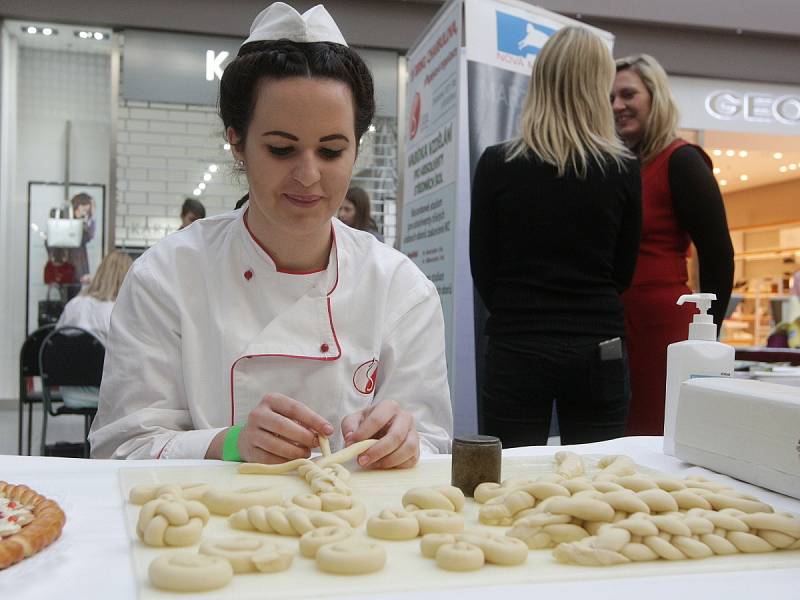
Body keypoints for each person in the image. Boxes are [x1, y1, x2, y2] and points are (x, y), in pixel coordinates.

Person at [89, 3, 452, 467]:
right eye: (281, 149)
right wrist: (228, 443)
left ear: (357, 147)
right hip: (203, 535)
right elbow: (119, 449)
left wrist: (405, 442)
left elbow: (435, 446)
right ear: (237, 142)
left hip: (357, 533)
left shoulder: (400, 289)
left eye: (331, 150)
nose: (308, 175)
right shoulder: (167, 277)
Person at [470, 26, 641, 447]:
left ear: (541, 81)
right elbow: (623, 271)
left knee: (505, 482)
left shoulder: (497, 163)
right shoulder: (623, 168)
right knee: (598, 486)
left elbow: (484, 267)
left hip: (516, 342)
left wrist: (522, 309)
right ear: (598, 85)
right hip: (598, 342)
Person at [612, 54, 734, 436]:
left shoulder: (681, 161)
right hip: (616, 324)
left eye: (628, 94)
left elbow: (717, 253)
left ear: (655, 97)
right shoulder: (620, 165)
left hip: (663, 327)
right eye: (611, 97)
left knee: (656, 435)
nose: (617, 105)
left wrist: (707, 335)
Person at [54, 251, 133, 408]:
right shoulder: (120, 311)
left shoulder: (73, 305)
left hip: (69, 392)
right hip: (109, 396)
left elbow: (54, 344)